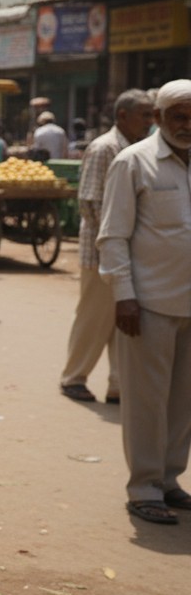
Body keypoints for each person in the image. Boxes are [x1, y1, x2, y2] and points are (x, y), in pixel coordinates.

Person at [97, 79, 191, 526]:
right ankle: (144, 486)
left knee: (182, 401)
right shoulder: (132, 163)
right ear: (158, 118)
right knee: (146, 401)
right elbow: (113, 235)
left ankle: (170, 479)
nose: (187, 125)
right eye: (179, 116)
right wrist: (124, 296)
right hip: (148, 303)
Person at [60, 88, 155, 405]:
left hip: (127, 253)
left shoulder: (139, 148)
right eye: (144, 114)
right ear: (122, 116)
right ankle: (74, 377)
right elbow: (90, 203)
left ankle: (118, 385)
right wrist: (115, 245)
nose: (149, 121)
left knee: (122, 323)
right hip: (101, 253)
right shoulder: (105, 148)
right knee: (94, 318)